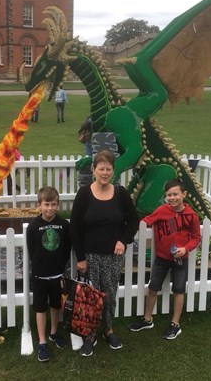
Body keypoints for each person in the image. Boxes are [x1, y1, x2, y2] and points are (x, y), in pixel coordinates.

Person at [70, 149, 139, 356]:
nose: (105, 172)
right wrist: (80, 257)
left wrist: (123, 240)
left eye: (109, 169)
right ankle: (90, 335)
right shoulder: (84, 194)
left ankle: (108, 329)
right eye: (101, 168)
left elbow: (133, 221)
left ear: (113, 171)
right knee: (91, 297)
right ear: (94, 170)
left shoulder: (120, 193)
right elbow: (75, 227)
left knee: (109, 295)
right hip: (90, 257)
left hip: (113, 257)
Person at [129, 178, 201, 340]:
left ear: (184, 194)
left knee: (179, 290)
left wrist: (185, 249)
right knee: (153, 288)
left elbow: (196, 238)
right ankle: (147, 319)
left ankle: (175, 324)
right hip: (161, 258)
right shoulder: (162, 210)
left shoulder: (192, 216)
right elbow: (147, 221)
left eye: (175, 194)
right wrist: (136, 226)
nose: (172, 198)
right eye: (169, 195)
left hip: (181, 260)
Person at [26, 186, 72, 362]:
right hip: (39, 276)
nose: (50, 208)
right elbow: (32, 249)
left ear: (58, 205)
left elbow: (67, 247)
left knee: (55, 306)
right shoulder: (33, 227)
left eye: (53, 204)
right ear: (39, 205)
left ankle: (53, 332)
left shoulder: (63, 225)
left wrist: (60, 265)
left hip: (57, 275)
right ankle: (42, 341)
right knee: (40, 308)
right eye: (46, 204)